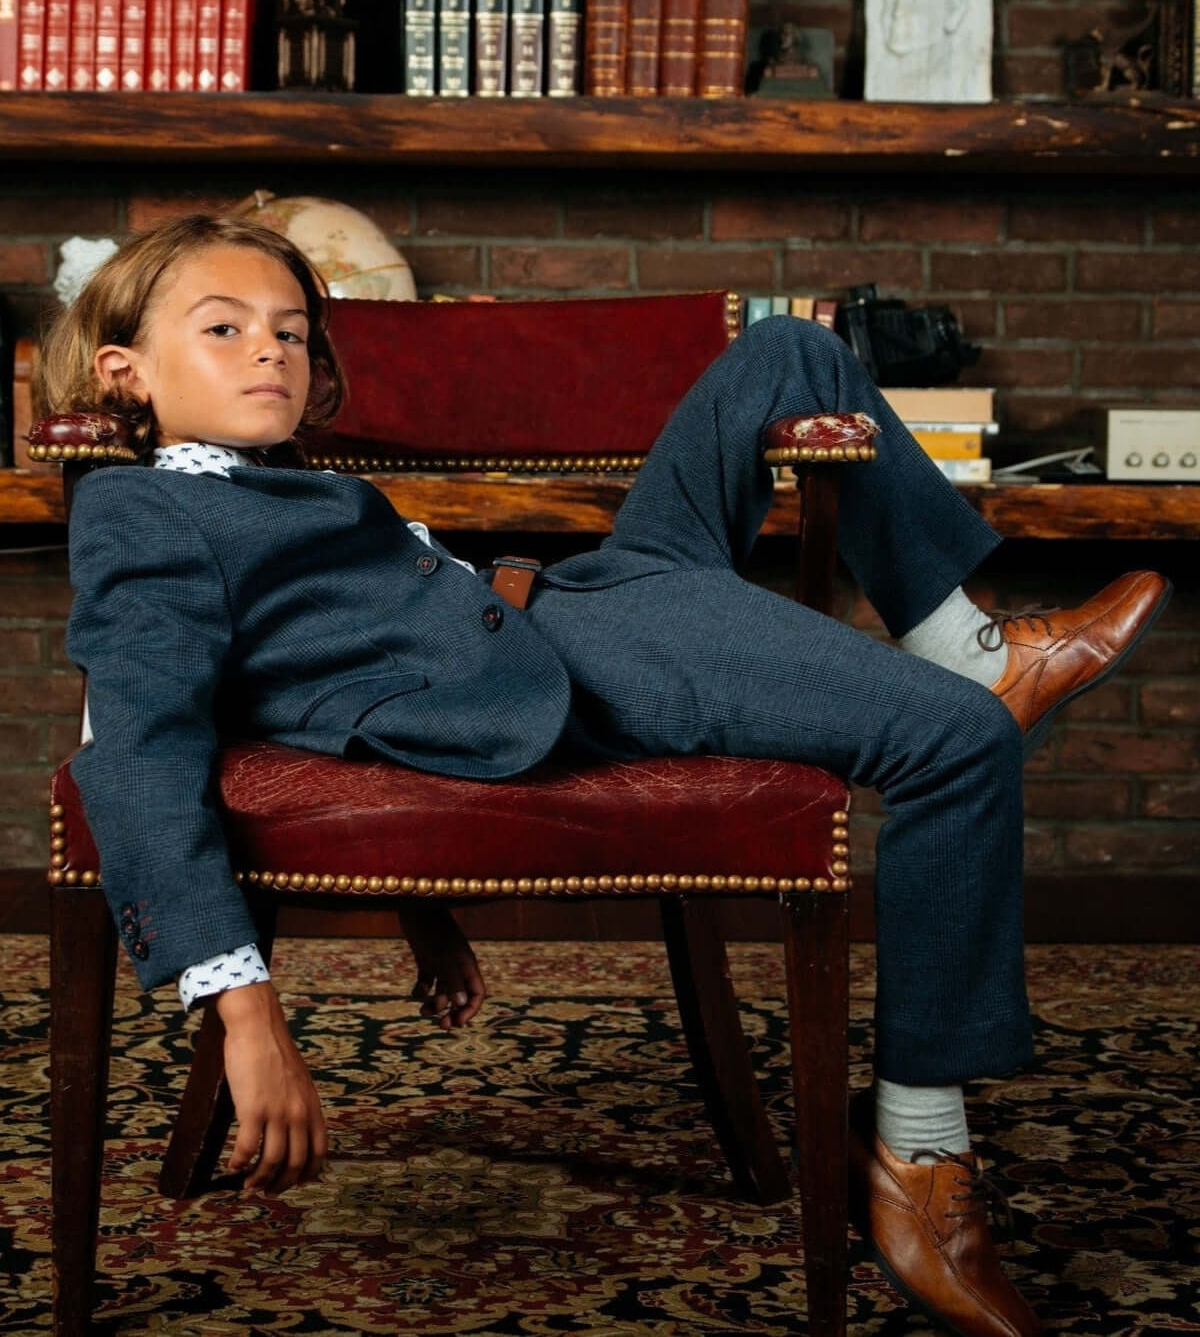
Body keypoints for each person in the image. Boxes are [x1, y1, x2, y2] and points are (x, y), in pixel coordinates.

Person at [42, 214, 1170, 1337]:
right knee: (959, 742)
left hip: (586, 590)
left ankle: (964, 642)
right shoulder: (144, 513)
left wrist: (423, 908)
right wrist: (245, 1014)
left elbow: (341, 695)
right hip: (584, 658)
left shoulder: (272, 482)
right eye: (226, 327)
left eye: (291, 331)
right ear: (125, 372)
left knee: (792, 353)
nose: (271, 352)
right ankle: (918, 1158)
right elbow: (140, 747)